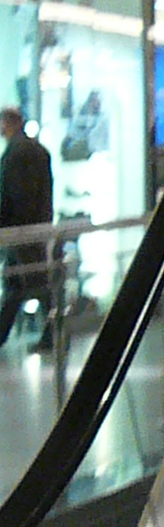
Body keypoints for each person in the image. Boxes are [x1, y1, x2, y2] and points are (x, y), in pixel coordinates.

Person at [0, 106, 55, 355]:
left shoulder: (18, 152)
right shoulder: (35, 150)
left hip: (22, 230)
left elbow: (16, 195)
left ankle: (54, 331)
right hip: (31, 228)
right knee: (18, 283)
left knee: (33, 283)